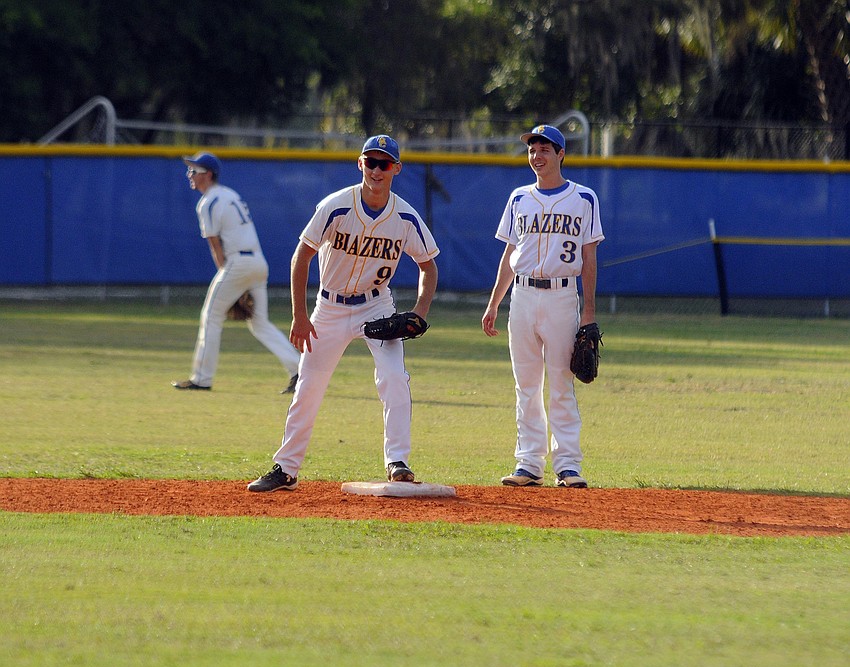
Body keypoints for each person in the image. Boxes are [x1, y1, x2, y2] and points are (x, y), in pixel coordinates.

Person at [247, 135, 439, 492]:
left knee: (395, 378)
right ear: (360, 164)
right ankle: (286, 468)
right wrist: (299, 316)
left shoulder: (406, 216)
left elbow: (428, 266)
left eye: (384, 164)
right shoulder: (336, 206)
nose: (377, 170)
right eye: (371, 162)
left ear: (396, 168)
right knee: (308, 386)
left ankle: (397, 461)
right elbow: (301, 256)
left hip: (377, 306)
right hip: (330, 307)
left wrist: (420, 311)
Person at [481, 124, 604, 488]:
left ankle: (568, 465)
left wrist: (590, 311)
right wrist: (493, 304)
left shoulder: (583, 199)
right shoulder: (519, 198)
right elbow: (509, 255)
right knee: (526, 384)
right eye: (532, 150)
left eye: (544, 149)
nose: (537, 156)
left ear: (561, 154)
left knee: (561, 383)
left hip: (562, 296)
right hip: (521, 296)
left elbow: (589, 257)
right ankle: (529, 464)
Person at [172, 152, 301, 393]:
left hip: (238, 263)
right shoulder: (230, 194)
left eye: (194, 171)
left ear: (208, 175)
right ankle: (298, 370)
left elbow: (216, 246)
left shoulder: (208, 202)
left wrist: (229, 280)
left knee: (211, 316)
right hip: (258, 262)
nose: (189, 175)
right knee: (259, 322)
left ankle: (202, 378)